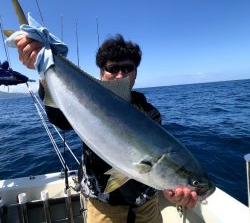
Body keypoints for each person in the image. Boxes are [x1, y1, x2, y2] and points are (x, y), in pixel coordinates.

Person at [15, 34, 197, 222]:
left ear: (136, 72)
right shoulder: (84, 102)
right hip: (102, 208)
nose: (120, 74)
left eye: (128, 68)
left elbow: (154, 167)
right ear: (102, 72)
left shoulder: (149, 113)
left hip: (147, 207)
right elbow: (59, 118)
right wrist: (45, 72)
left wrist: (170, 190)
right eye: (113, 68)